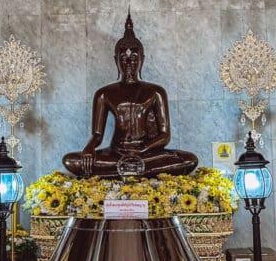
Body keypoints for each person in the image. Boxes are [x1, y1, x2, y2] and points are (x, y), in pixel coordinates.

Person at [63, 13, 197, 178]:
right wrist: (89, 148)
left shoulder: (156, 92)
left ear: (142, 59)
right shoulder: (104, 93)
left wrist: (141, 149)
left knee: (188, 160)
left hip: (146, 154)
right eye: (123, 58)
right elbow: (97, 135)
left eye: (134, 58)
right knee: (70, 161)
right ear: (116, 60)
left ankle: (118, 172)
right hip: (116, 153)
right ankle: (134, 170)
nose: (128, 63)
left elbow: (165, 135)